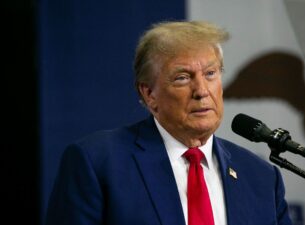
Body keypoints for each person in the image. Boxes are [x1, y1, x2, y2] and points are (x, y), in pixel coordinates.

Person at [45, 21, 292, 225]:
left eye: (210, 73)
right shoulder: (98, 163)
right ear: (149, 94)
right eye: (183, 77)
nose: (202, 91)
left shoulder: (261, 177)